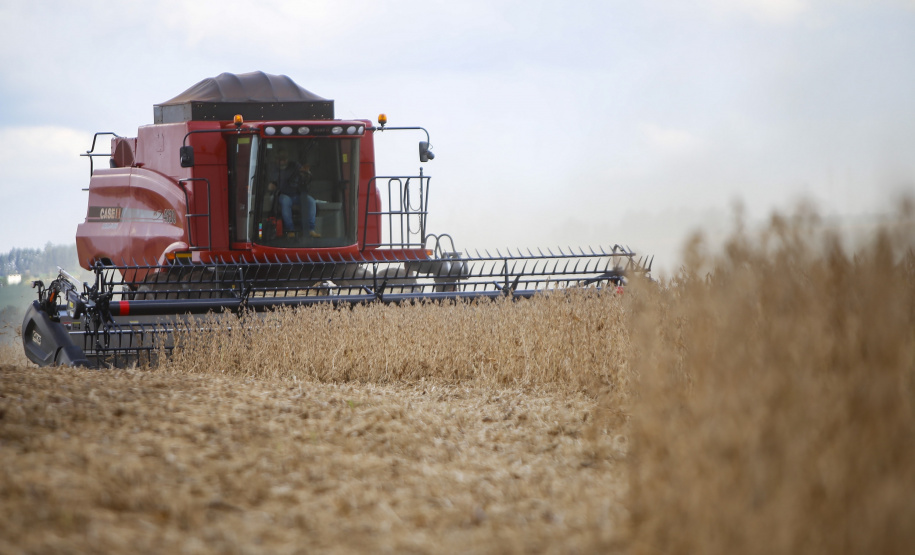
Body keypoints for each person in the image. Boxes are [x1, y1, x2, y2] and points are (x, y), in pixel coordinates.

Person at [266, 149, 320, 238]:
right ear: (276, 160)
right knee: (286, 201)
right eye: (280, 159)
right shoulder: (273, 169)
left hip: (297, 194)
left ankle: (310, 229)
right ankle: (290, 230)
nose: (283, 161)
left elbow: (304, 173)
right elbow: (271, 184)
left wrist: (305, 173)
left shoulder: (295, 166)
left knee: (311, 201)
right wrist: (270, 186)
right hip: (282, 195)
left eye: (284, 159)